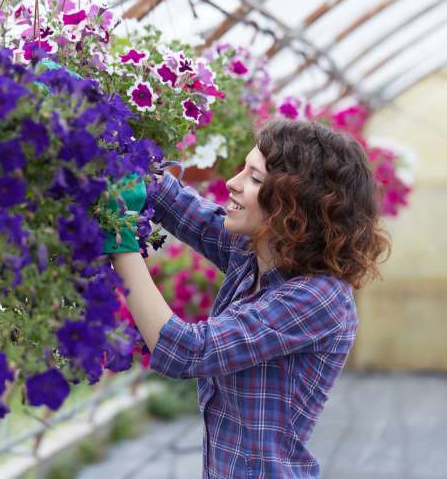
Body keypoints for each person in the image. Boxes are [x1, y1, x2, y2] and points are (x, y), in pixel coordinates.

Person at [105, 120, 391, 478]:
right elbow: (174, 203)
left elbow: (187, 351)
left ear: (296, 204)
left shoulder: (317, 298)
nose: (232, 183)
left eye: (254, 178)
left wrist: (122, 243)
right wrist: (106, 135)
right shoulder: (258, 253)